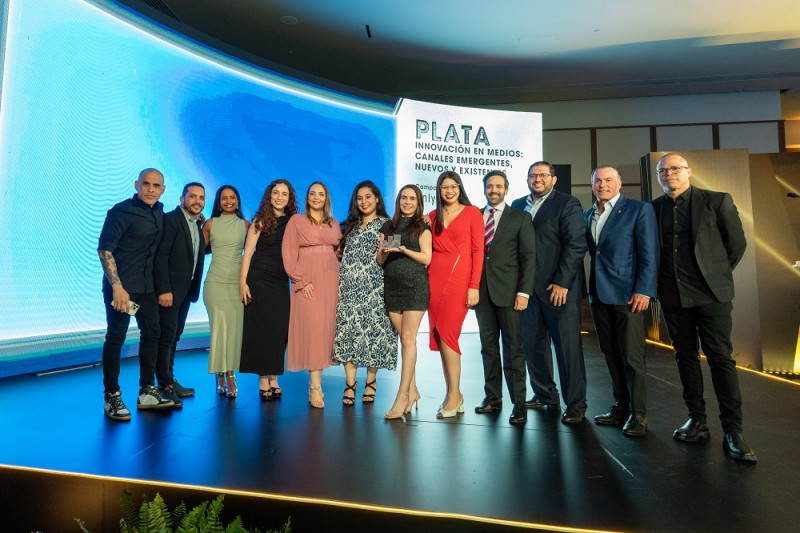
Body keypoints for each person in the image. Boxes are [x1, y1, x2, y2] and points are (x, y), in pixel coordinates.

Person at [652, 153, 756, 462]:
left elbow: (736, 245)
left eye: (675, 169)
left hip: (711, 296)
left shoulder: (716, 200)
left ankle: (733, 430)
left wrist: (715, 275)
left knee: (721, 359)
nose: (669, 174)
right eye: (663, 170)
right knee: (684, 357)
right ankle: (697, 419)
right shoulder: (653, 209)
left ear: (688, 172)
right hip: (672, 297)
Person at [511, 161, 588, 425]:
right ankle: (545, 394)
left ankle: (576, 404)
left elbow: (576, 245)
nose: (537, 179)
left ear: (553, 179)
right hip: (526, 291)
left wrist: (563, 282)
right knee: (534, 346)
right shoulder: (518, 204)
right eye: (533, 175)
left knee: (567, 349)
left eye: (543, 175)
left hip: (559, 291)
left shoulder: (567, 204)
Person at [584, 166, 659, 437]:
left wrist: (644, 290)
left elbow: (649, 254)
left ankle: (639, 415)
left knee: (632, 357)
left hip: (629, 295)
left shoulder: (639, 210)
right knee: (611, 353)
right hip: (599, 295)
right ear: (592, 185)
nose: (602, 185)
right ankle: (621, 407)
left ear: (619, 183)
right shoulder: (588, 214)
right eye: (598, 181)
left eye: (608, 180)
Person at [98, 168, 174, 420]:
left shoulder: (160, 212)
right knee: (116, 337)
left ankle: (147, 391)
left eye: (156, 185)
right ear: (136, 185)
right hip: (121, 289)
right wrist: (117, 288)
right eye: (146, 184)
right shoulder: (120, 212)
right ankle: (111, 395)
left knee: (152, 333)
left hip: (146, 289)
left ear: (162, 188)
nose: (151, 189)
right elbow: (105, 251)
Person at [473, 171, 536, 426]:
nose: (494, 190)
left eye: (499, 186)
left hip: (510, 295)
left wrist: (524, 292)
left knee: (513, 351)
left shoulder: (521, 217)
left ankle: (519, 403)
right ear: (485, 189)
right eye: (490, 186)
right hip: (482, 294)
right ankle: (493, 398)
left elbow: (528, 258)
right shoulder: (475, 217)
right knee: (488, 349)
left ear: (507, 190)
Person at [332, 181, 396, 405]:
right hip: (348, 290)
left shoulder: (390, 225)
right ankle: (350, 384)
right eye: (359, 198)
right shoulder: (348, 226)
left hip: (376, 289)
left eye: (368, 197)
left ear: (377, 198)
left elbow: (391, 255)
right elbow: (338, 254)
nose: (364, 202)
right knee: (348, 335)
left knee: (373, 336)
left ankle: (371, 381)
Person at [428, 171, 484, 419]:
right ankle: (453, 394)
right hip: (433, 281)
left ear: (460, 188)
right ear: (438, 191)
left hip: (459, 279)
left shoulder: (472, 213)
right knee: (440, 335)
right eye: (444, 187)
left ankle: (454, 394)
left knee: (449, 334)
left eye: (453, 186)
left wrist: (474, 286)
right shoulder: (431, 216)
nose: (449, 191)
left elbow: (478, 252)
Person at [282, 181, 341, 408]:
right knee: (313, 330)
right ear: (307, 198)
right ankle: (314, 387)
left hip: (331, 281)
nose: (316, 197)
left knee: (325, 331)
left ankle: (317, 383)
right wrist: (300, 279)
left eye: (321, 194)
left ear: (326, 198)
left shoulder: (333, 223)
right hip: (307, 282)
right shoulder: (296, 221)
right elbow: (288, 253)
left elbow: (338, 251)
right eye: (312, 194)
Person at [239, 179, 298, 401]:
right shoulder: (260, 219)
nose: (279, 197)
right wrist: (242, 282)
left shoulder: (294, 221)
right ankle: (264, 379)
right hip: (259, 278)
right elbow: (248, 252)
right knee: (260, 331)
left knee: (278, 331)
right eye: (276, 192)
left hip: (281, 281)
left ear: (290, 198)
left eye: (284, 193)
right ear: (269, 195)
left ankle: (274, 376)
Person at [378, 185, 432, 419]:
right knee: (404, 339)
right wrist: (384, 251)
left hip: (415, 288)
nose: (407, 202)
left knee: (408, 340)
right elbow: (380, 261)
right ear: (398, 200)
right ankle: (413, 390)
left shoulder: (422, 226)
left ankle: (402, 397)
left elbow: (426, 258)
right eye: (403, 198)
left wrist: (404, 249)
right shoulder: (389, 226)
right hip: (392, 287)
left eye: (412, 199)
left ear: (418, 201)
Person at [154, 182, 207, 407]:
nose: (197, 201)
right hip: (170, 292)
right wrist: (164, 289)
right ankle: (163, 385)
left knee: (174, 336)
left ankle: (168, 379)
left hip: (185, 292)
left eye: (201, 197)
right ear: (181, 199)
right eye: (192, 196)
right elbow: (161, 256)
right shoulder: (171, 220)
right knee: (166, 337)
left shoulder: (196, 223)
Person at [202, 185, 249, 398]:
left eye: (232, 197)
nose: (228, 201)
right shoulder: (210, 224)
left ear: (238, 200)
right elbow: (196, 251)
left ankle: (226, 371)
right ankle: (226, 374)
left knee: (233, 333)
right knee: (218, 330)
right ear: (218, 202)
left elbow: (252, 256)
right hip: (215, 284)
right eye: (224, 198)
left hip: (237, 285)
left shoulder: (246, 226)